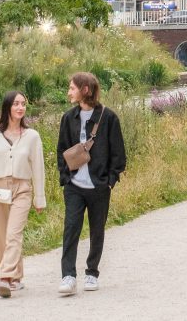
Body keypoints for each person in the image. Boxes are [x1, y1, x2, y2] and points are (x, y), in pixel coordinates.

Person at [56, 72, 127, 296]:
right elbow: (61, 150)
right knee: (71, 229)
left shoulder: (109, 118)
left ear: (85, 89)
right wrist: (66, 178)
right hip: (74, 186)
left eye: (72, 88)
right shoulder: (68, 118)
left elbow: (118, 154)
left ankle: (92, 273)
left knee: (97, 230)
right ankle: (68, 276)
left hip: (99, 186)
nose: (69, 92)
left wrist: (109, 181)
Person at [0, 91, 47, 298]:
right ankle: (16, 277)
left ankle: (4, 277)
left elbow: (38, 169)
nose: (20, 107)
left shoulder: (32, 136)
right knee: (2, 237)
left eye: (23, 104)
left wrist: (39, 198)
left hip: (22, 188)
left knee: (14, 233)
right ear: (7, 107)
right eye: (16, 104)